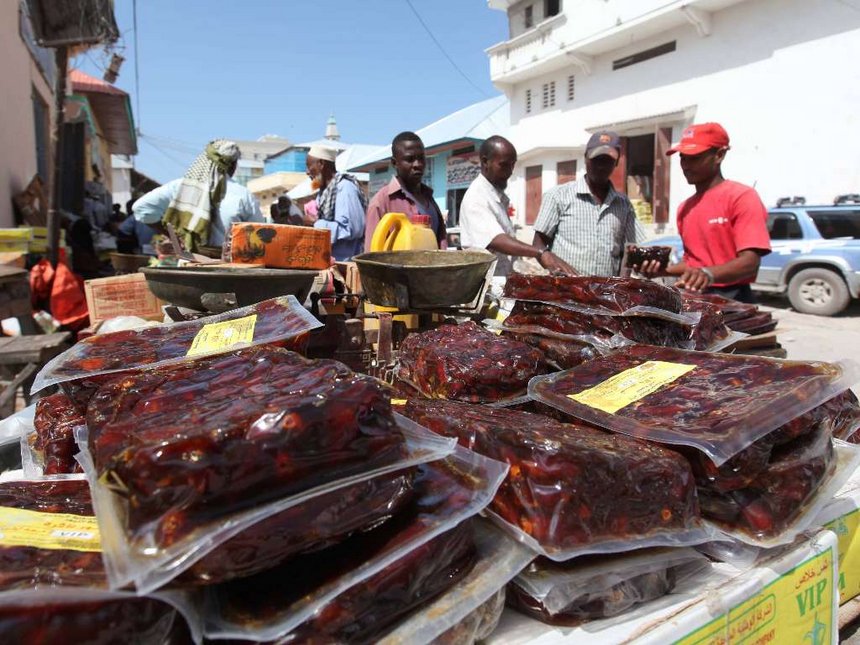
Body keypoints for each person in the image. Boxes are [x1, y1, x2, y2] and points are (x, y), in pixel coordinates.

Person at [636, 123, 770, 302]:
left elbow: (750, 263)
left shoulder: (741, 197)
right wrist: (662, 271)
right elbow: (693, 264)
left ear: (719, 155)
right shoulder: (685, 208)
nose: (686, 166)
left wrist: (708, 274)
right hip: (694, 297)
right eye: (683, 158)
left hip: (733, 298)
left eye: (694, 158)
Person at [532, 131, 644, 277]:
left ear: (616, 163)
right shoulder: (558, 196)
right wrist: (554, 264)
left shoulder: (623, 204)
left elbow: (632, 249)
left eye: (607, 161)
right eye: (596, 160)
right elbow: (538, 245)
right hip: (566, 293)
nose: (601, 166)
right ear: (585, 158)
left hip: (605, 295)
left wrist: (622, 285)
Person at [459, 135, 573, 277]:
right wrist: (539, 252)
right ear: (485, 161)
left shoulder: (495, 196)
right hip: (483, 286)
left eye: (512, 164)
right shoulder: (476, 197)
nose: (510, 171)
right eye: (504, 165)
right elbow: (496, 239)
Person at [132, 139, 263, 251]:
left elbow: (141, 208)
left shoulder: (181, 187)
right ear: (234, 165)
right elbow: (259, 235)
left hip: (190, 266)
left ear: (205, 161)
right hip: (229, 269)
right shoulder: (243, 194)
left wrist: (174, 237)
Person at [364, 131, 446, 251]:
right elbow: (371, 255)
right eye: (410, 159)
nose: (417, 164)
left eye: (421, 158)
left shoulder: (429, 199)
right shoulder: (381, 202)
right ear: (394, 163)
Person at [307, 145, 367, 261]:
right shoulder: (324, 191)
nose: (307, 172)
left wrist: (316, 224)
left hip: (345, 264)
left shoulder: (344, 188)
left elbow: (353, 229)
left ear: (321, 164)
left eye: (309, 166)